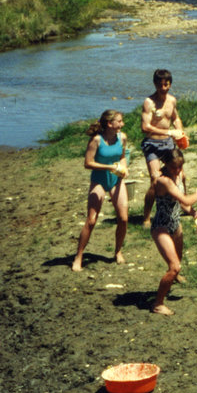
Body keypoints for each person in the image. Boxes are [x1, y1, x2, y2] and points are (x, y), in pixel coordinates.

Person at [149, 148, 197, 315]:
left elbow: (183, 202)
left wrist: (194, 213)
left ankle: (174, 278)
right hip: (161, 227)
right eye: (174, 167)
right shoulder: (163, 181)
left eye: (180, 166)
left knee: (177, 260)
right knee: (175, 267)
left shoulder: (180, 175)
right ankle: (158, 304)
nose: (178, 170)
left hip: (175, 223)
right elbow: (187, 198)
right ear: (166, 164)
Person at [73, 109, 129, 272]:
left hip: (116, 180)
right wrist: (109, 166)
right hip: (99, 180)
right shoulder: (96, 140)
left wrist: (124, 167)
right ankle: (79, 256)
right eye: (119, 121)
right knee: (91, 220)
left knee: (124, 218)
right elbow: (87, 163)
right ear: (110, 123)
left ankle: (118, 251)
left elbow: (123, 156)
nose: (122, 124)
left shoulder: (122, 137)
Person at [140, 69, 186, 228]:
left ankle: (184, 204)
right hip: (152, 144)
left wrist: (179, 132)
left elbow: (175, 118)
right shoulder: (149, 102)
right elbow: (145, 127)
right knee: (155, 180)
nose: (163, 88)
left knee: (181, 175)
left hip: (168, 143)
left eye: (166, 85)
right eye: (160, 85)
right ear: (155, 84)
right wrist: (168, 131)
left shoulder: (172, 100)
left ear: (170, 84)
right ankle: (146, 217)